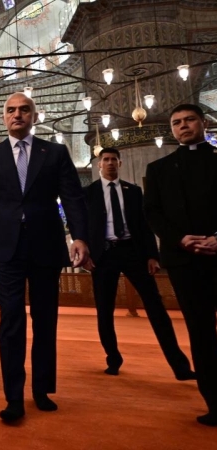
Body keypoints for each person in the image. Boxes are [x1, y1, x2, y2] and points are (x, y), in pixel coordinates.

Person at [0, 92, 89, 423]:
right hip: (5, 248)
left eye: (24, 110)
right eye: (11, 110)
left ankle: (41, 389)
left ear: (35, 116)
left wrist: (80, 236)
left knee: (45, 318)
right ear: (3, 118)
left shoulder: (54, 152)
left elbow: (73, 197)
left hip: (45, 245)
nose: (17, 115)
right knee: (11, 319)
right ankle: (14, 397)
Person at [83, 148, 194, 379]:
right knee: (104, 310)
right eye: (106, 160)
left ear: (120, 164)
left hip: (133, 252)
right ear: (99, 165)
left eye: (114, 159)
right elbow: (81, 226)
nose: (110, 163)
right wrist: (85, 255)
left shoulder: (133, 191)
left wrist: (152, 256)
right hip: (103, 256)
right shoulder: (88, 193)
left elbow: (145, 226)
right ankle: (113, 359)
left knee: (155, 306)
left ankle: (180, 367)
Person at [144, 103, 217, 427]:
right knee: (200, 331)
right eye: (177, 122)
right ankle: (214, 401)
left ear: (204, 123)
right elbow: (152, 213)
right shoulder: (159, 169)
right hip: (183, 260)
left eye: (189, 120)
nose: (183, 126)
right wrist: (180, 239)